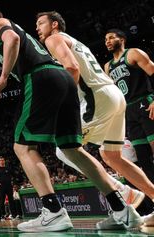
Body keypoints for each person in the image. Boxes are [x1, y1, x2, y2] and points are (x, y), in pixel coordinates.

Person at [0, 5, 141, 231]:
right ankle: (122, 210)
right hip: (62, 79)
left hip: (40, 76)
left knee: (23, 147)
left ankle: (53, 211)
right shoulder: (17, 32)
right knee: (72, 149)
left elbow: (12, 39)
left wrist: (3, 77)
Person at [36, 13, 153, 210]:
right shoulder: (77, 42)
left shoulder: (53, 38)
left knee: (64, 148)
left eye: (40, 23)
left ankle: (121, 190)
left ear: (54, 24)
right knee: (111, 155)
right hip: (115, 95)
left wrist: (62, 104)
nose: (37, 28)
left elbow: (72, 68)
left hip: (98, 98)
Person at [104, 29, 154, 185]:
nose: (108, 41)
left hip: (145, 103)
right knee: (143, 158)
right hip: (128, 111)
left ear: (122, 39)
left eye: (111, 38)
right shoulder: (107, 67)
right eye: (106, 39)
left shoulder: (133, 53)